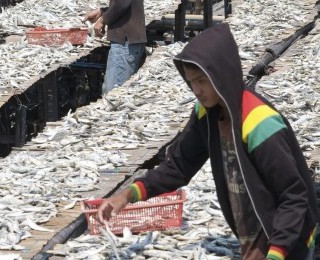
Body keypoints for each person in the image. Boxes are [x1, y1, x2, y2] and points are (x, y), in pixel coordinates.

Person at [96, 23, 318, 260]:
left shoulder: (258, 123)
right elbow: (178, 167)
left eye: (202, 80)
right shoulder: (207, 113)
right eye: (191, 81)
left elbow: (294, 197)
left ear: (222, 75)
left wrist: (277, 253)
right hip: (256, 233)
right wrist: (127, 195)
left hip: (290, 240)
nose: (197, 90)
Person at [83, 0, 146, 94]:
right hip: (128, 40)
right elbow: (123, 4)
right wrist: (101, 11)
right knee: (120, 90)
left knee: (113, 92)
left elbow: (122, 3)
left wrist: (102, 20)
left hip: (124, 42)